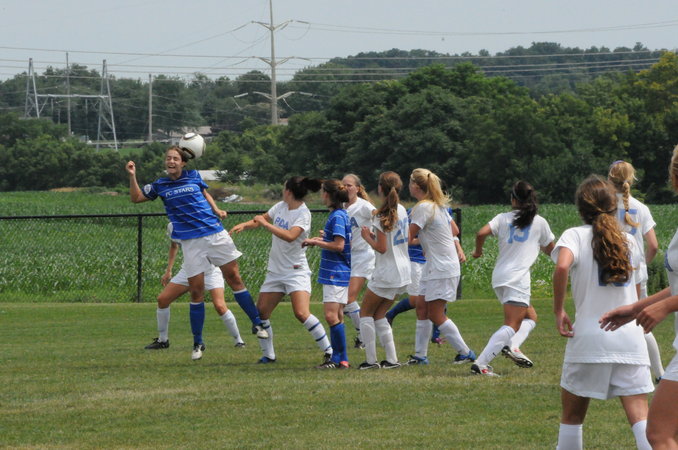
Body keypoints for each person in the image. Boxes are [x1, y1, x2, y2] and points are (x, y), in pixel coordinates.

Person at [126, 146, 267, 361]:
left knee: (234, 278)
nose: (171, 161)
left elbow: (204, 192)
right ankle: (198, 342)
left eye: (175, 158)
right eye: (168, 158)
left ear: (183, 163)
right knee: (196, 292)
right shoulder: (160, 185)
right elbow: (136, 198)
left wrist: (216, 210)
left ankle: (257, 323)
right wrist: (132, 176)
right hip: (191, 242)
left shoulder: (193, 176)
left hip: (214, 233)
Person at [553, 175, 652, 450]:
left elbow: (562, 266)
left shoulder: (574, 235)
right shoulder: (629, 241)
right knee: (641, 419)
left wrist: (558, 309)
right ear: (613, 206)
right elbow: (636, 296)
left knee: (572, 418)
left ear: (581, 208)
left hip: (589, 338)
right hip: (629, 340)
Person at [600, 146, 678, 449]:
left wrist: (667, 306)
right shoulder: (641, 208)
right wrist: (636, 307)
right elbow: (673, 281)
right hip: (636, 281)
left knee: (659, 433)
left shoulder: (611, 207)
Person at [229, 176, 332, 365]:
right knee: (261, 314)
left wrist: (265, 224)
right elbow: (261, 219)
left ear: (289, 192)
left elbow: (290, 236)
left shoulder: (303, 213)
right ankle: (269, 355)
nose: (283, 191)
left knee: (301, 313)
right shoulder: (280, 206)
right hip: (275, 272)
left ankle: (329, 351)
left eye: (284, 188)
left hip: (295, 271)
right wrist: (245, 224)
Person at [470, 181, 554, 376]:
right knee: (512, 324)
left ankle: (512, 346)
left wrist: (478, 252)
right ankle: (481, 364)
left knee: (530, 317)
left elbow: (481, 233)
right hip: (517, 279)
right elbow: (551, 249)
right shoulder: (539, 222)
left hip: (500, 277)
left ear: (513, 199)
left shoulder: (502, 218)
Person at [406, 168, 475, 365]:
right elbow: (454, 230)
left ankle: (465, 353)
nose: (409, 186)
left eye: (410, 182)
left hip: (441, 267)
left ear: (416, 186)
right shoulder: (438, 206)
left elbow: (408, 236)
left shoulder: (423, 207)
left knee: (435, 314)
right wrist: (429, 241)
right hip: (435, 265)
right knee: (422, 307)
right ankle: (420, 356)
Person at [145, 222, 245, 355]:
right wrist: (168, 270)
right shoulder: (172, 225)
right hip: (189, 270)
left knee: (220, 306)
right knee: (163, 300)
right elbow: (174, 245)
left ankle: (239, 340)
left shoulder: (203, 221)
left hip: (211, 271)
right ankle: (163, 340)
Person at [608, 160, 664, 382]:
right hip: (637, 273)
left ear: (609, 179)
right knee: (641, 322)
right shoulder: (641, 208)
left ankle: (612, 368)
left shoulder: (604, 207)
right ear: (631, 179)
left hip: (611, 272)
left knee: (608, 318)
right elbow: (654, 246)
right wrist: (642, 264)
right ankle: (659, 373)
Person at [386, 208, 465, 347]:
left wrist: (459, 248)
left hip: (434, 261)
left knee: (437, 301)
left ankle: (435, 337)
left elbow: (451, 232)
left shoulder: (444, 210)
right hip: (415, 260)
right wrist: (424, 241)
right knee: (418, 301)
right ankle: (391, 314)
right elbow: (405, 238)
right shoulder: (416, 211)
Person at [356, 171, 411, 369]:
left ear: (381, 188)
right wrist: (374, 237)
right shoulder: (402, 210)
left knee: (365, 313)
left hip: (387, 271)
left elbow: (381, 248)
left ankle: (371, 361)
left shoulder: (380, 215)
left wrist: (366, 237)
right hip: (403, 270)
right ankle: (391, 360)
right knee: (379, 314)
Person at [302, 179, 352, 369]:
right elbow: (339, 241)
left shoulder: (337, 216)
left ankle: (337, 358)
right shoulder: (341, 214)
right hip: (340, 271)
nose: (321, 195)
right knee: (337, 315)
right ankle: (342, 360)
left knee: (331, 316)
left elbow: (339, 246)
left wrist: (315, 242)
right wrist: (323, 238)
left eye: (323, 192)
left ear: (329, 195)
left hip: (335, 272)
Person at [342, 174, 376, 349]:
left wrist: (375, 233)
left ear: (357, 188)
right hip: (347, 256)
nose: (346, 188)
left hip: (363, 255)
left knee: (348, 298)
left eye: (349, 185)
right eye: (343, 185)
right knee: (341, 300)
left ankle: (363, 336)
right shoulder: (342, 207)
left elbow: (379, 217)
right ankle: (365, 330)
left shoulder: (363, 206)